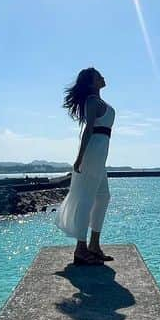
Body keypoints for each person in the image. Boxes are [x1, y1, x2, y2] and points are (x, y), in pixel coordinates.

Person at [55, 67, 116, 265]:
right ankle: (81, 248)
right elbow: (88, 129)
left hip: (100, 153)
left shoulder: (98, 101)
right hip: (92, 152)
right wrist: (80, 158)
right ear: (91, 82)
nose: (103, 77)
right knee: (87, 198)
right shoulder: (92, 101)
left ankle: (94, 245)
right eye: (99, 76)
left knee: (103, 196)